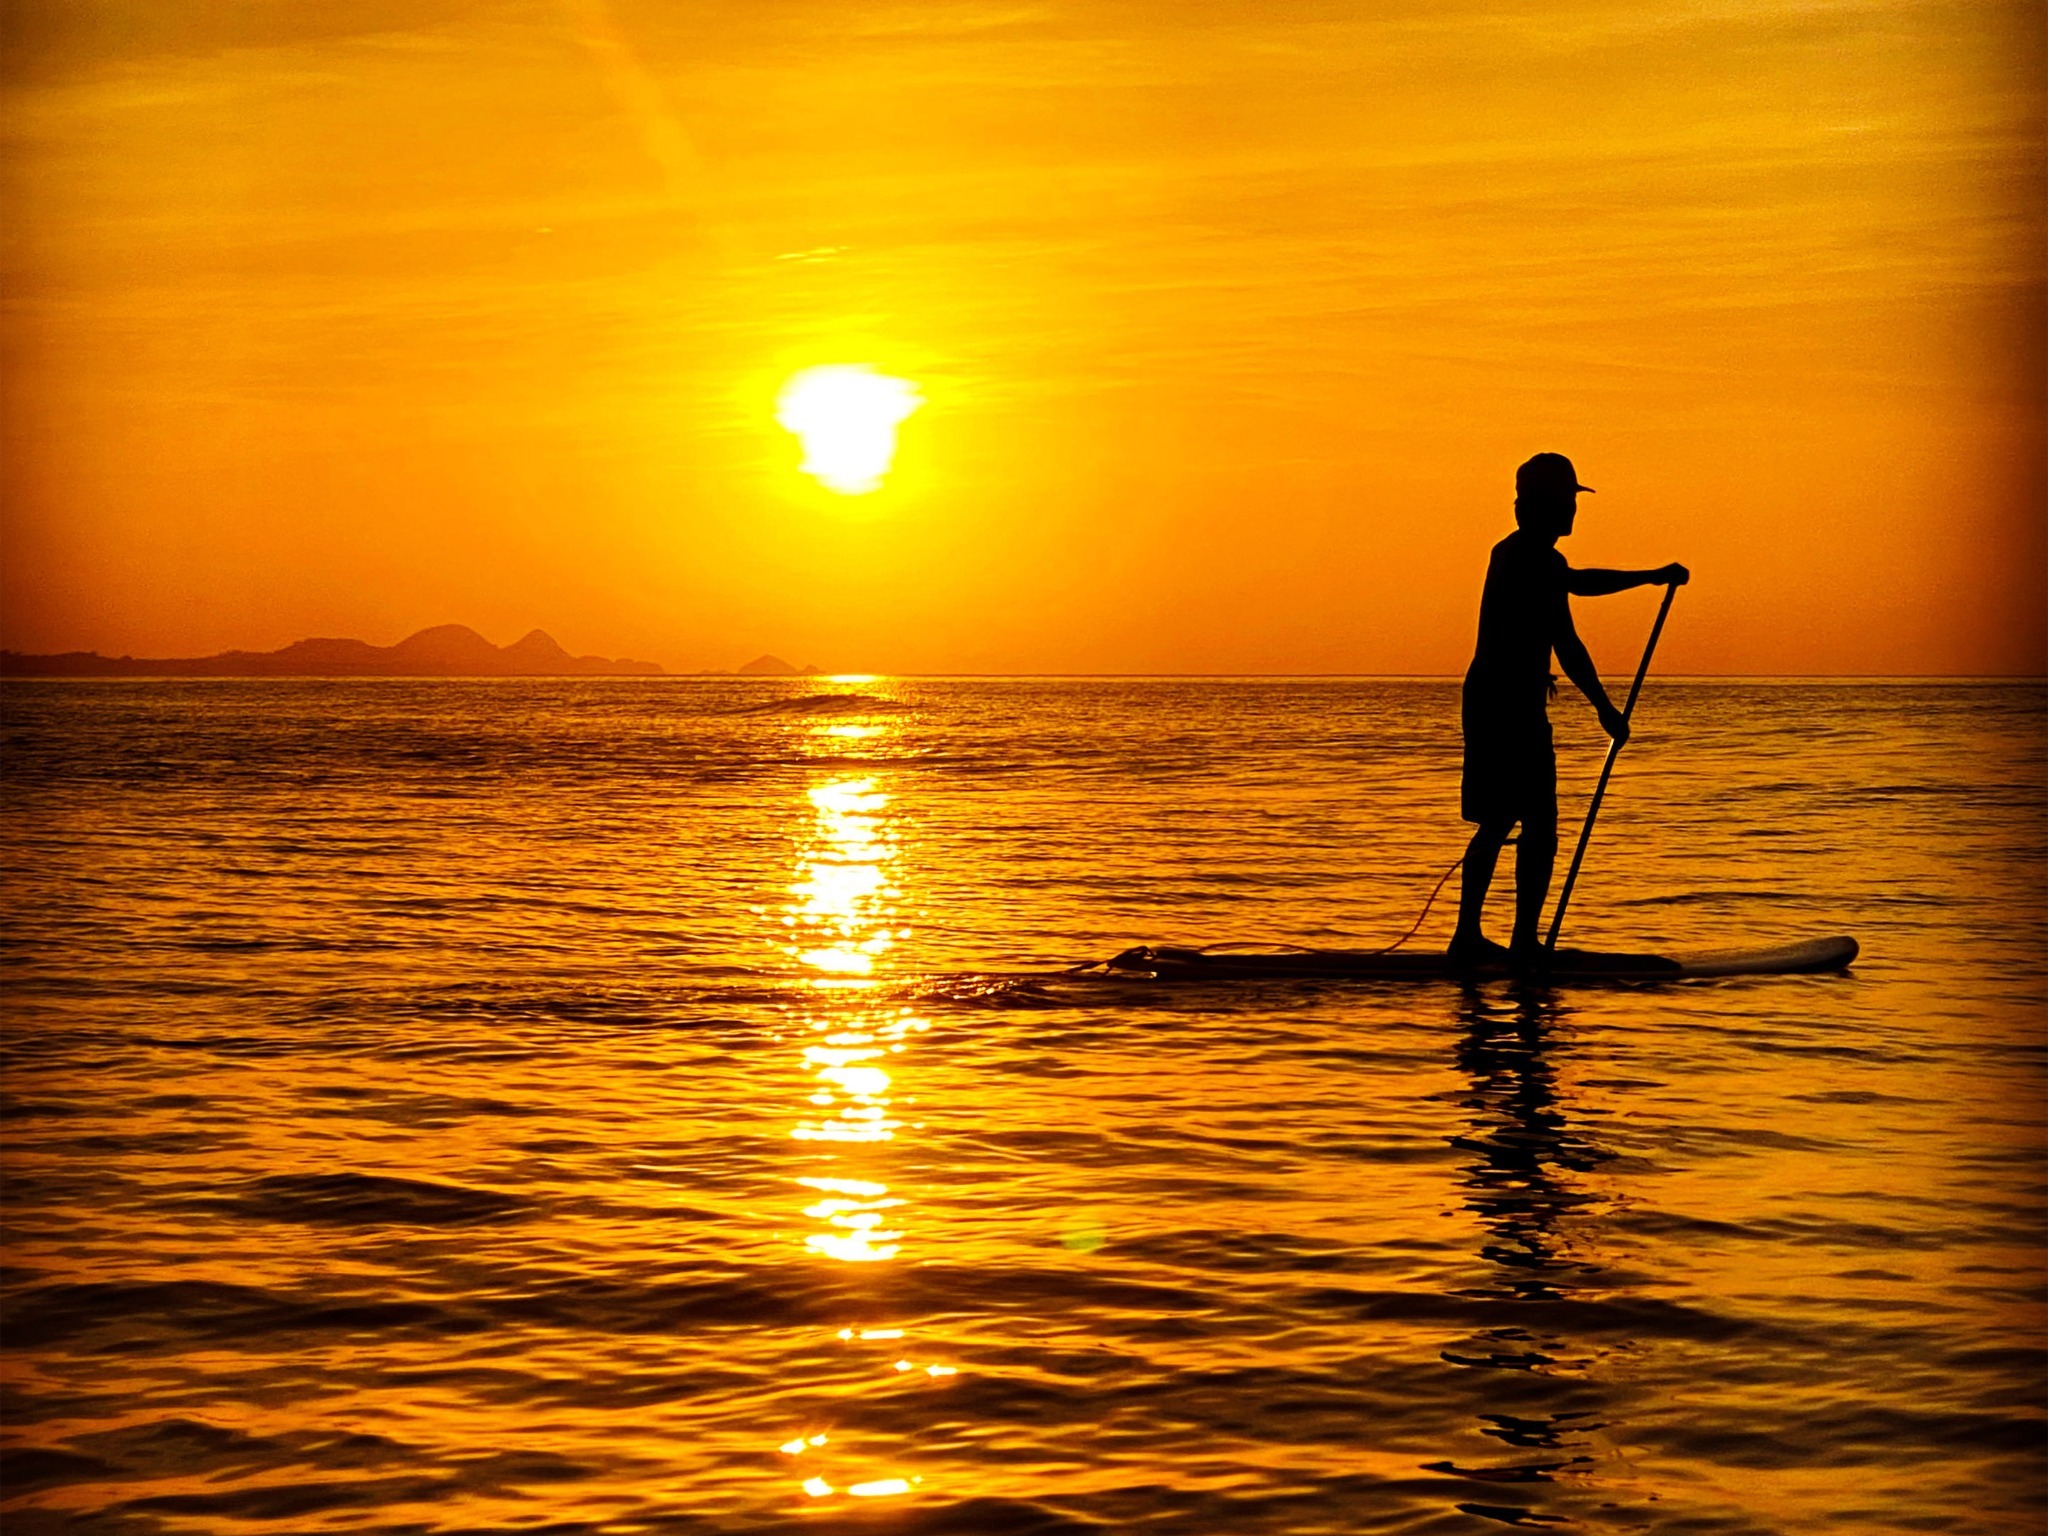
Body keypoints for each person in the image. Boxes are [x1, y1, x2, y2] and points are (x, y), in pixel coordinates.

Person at [1449, 453, 1687, 969]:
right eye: (1567, 501)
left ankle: (1519, 942)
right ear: (1541, 506)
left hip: (1520, 706)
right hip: (1498, 706)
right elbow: (1579, 586)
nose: (1574, 512)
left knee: (1538, 823)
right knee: (1504, 820)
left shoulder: (1542, 561)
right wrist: (1650, 576)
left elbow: (1566, 642)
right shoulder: (1519, 556)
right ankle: (1470, 937)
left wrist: (1605, 709)